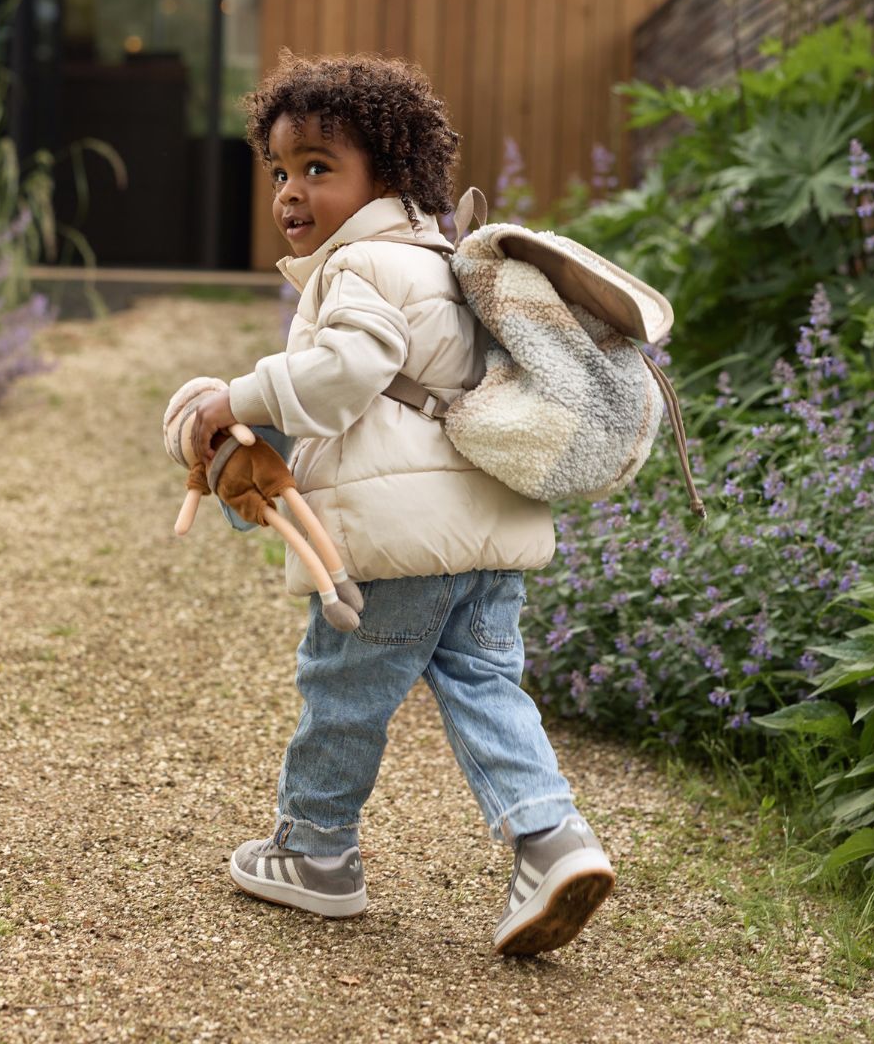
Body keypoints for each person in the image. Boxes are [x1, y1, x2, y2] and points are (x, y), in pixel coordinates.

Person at [187, 52, 614, 955]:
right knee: (484, 684)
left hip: (399, 546)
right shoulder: (451, 262)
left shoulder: (363, 268)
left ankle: (316, 854)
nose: (290, 193)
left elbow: (345, 376)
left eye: (317, 168)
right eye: (278, 170)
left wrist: (239, 400)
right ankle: (553, 840)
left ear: (388, 173)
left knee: (342, 692)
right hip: (489, 533)